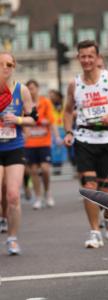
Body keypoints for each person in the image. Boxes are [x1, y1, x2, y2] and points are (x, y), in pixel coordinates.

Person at [63, 40, 108, 248]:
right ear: (78, 58)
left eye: (90, 56)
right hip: (85, 139)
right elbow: (68, 110)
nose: (86, 60)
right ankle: (94, 232)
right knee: (89, 187)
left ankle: (107, 215)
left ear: (97, 58)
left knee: (107, 192)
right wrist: (69, 131)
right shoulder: (74, 84)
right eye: (83, 56)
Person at [0, 52, 36, 254]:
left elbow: (33, 118)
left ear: (14, 67)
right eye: (2, 64)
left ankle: (12, 238)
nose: (6, 68)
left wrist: (18, 120)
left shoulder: (21, 90)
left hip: (14, 147)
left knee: (13, 195)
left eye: (10, 64)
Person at [24, 80, 61, 209]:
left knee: (45, 169)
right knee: (33, 171)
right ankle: (38, 197)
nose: (30, 90)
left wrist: (57, 137)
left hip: (44, 141)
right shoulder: (25, 105)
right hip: (30, 142)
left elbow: (51, 121)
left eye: (32, 88)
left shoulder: (45, 102)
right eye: (28, 88)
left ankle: (47, 192)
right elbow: (24, 121)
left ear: (38, 89)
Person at [49, 89, 68, 175]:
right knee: (53, 149)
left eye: (53, 96)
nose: (51, 97)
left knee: (61, 149)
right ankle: (55, 166)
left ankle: (59, 166)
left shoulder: (64, 105)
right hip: (53, 128)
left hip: (62, 128)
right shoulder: (49, 105)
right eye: (50, 96)